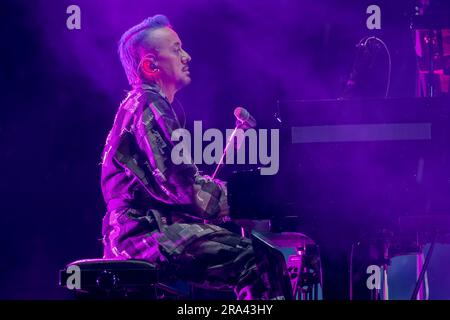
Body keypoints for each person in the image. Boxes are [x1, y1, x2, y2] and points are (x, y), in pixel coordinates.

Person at [100, 14, 287, 300]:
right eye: (176, 50)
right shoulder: (149, 104)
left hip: (145, 229)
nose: (186, 56)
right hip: (145, 233)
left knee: (252, 255)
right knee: (259, 261)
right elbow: (184, 188)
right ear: (150, 65)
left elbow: (178, 191)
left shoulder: (141, 105)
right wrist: (245, 201)